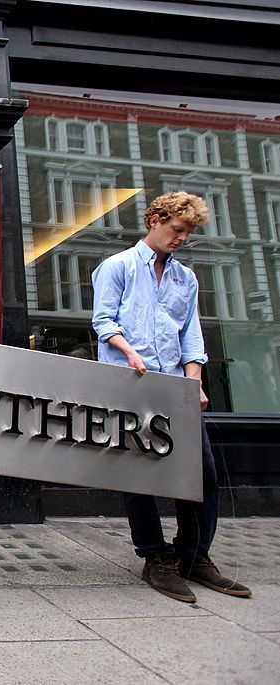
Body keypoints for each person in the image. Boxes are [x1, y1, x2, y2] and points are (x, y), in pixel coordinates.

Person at [91, 191, 251, 603]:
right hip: (130, 385)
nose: (182, 238)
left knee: (202, 474)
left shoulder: (186, 278)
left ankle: (194, 555)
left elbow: (191, 335)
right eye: (177, 229)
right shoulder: (118, 266)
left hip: (176, 386)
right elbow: (103, 322)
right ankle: (155, 557)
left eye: (188, 233)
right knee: (138, 475)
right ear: (156, 220)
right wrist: (130, 354)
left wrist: (194, 381)